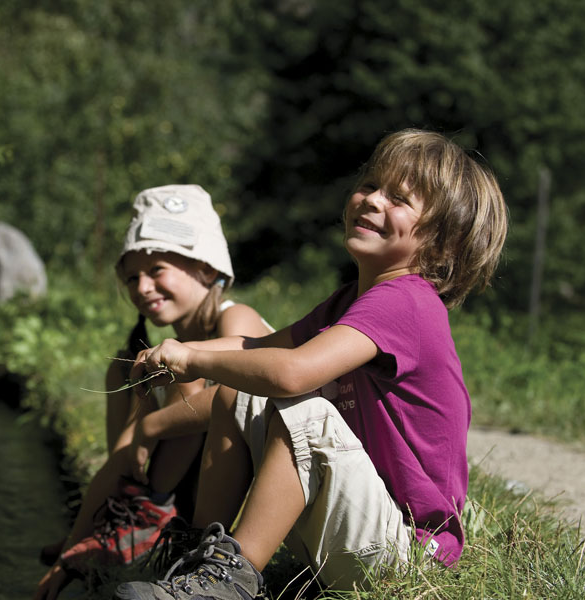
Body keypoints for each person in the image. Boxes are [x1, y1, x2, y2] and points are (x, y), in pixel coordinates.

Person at [115, 129, 509, 599]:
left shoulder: (407, 302)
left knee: (304, 408)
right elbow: (257, 346)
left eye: (398, 197)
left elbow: (291, 372)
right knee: (235, 393)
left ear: (440, 244)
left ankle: (229, 585)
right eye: (370, 184)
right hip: (351, 525)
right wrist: (178, 354)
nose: (371, 200)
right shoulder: (350, 300)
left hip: (406, 556)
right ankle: (200, 561)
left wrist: (194, 356)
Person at [33, 184, 272, 600]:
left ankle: (164, 530)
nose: (142, 287)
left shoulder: (238, 319)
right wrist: (74, 543)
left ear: (205, 268)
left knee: (189, 383)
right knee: (124, 369)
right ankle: (130, 521)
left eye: (157, 270)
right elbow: (122, 458)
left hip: (261, 474)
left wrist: (154, 425)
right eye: (131, 277)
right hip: (184, 481)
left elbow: (243, 395)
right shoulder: (151, 356)